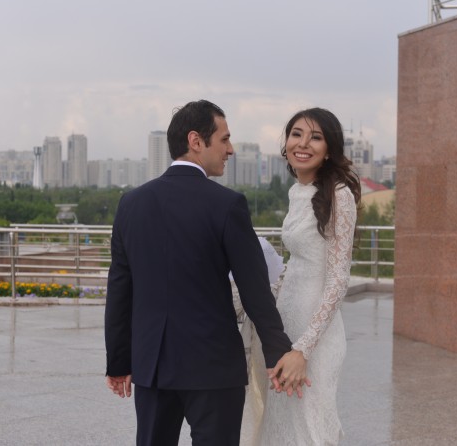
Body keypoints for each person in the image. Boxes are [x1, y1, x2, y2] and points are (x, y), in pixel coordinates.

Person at [104, 99, 308, 446]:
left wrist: (119, 362)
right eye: (224, 139)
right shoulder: (227, 205)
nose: (230, 150)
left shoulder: (131, 204)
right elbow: (254, 289)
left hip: (153, 366)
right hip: (213, 366)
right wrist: (278, 352)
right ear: (196, 141)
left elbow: (121, 289)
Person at [246, 107, 361, 445]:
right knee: (281, 421)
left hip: (316, 336)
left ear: (329, 150)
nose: (303, 143)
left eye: (316, 137)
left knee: (311, 425)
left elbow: (338, 280)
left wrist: (302, 350)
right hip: (286, 324)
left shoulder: (339, 195)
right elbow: (296, 263)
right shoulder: (297, 191)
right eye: (296, 134)